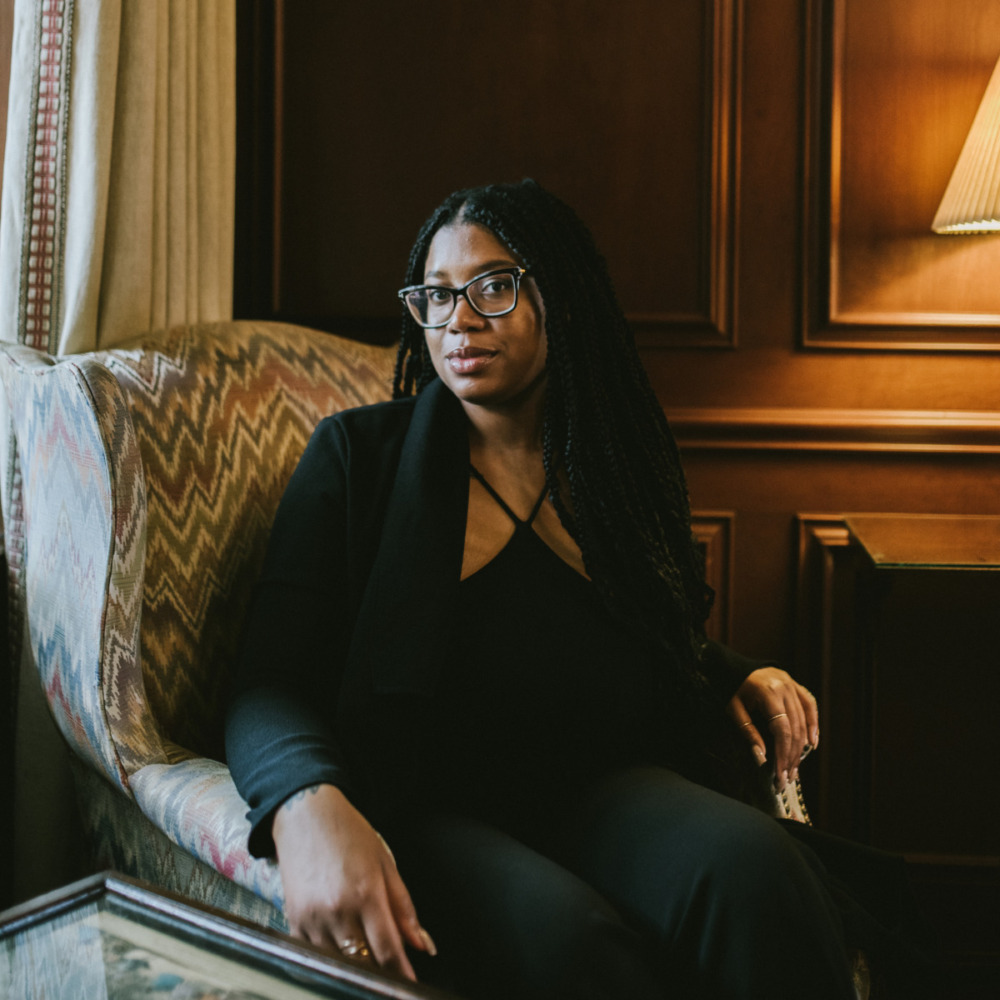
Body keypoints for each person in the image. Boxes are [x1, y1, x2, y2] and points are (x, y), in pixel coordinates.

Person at [225, 180, 896, 999]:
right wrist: (304, 803)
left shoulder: (611, 470)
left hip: (597, 782)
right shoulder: (356, 459)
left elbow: (618, 630)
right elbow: (267, 680)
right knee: (575, 947)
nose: (458, 320)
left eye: (493, 287)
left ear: (563, 299)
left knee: (761, 872)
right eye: (436, 296)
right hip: (433, 800)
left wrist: (730, 672)